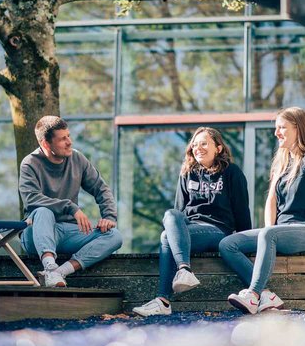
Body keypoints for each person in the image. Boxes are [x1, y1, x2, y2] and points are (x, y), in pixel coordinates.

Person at [219, 107, 305, 314]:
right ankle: (266, 295)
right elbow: (271, 200)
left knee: (268, 233)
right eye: (276, 128)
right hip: (280, 231)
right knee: (227, 244)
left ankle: (252, 295)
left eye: (282, 127)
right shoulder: (282, 162)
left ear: (298, 128)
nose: (276, 133)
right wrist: (268, 235)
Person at [133, 127, 252, 316]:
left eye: (204, 143)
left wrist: (246, 243)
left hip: (218, 230)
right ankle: (182, 272)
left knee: (165, 237)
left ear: (218, 148)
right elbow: (178, 211)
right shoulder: (187, 172)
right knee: (170, 220)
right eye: (195, 145)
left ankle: (164, 299)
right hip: (191, 230)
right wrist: (177, 233)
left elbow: (242, 209)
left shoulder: (232, 172)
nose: (198, 148)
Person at [19, 116, 123, 287]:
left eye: (68, 136)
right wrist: (70, 207)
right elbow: (31, 199)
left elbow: (101, 188)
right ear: (46, 144)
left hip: (67, 233)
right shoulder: (30, 163)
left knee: (114, 236)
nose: (69, 142)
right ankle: (49, 265)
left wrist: (109, 217)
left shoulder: (77, 159)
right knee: (43, 212)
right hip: (36, 233)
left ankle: (59, 272)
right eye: (62, 139)